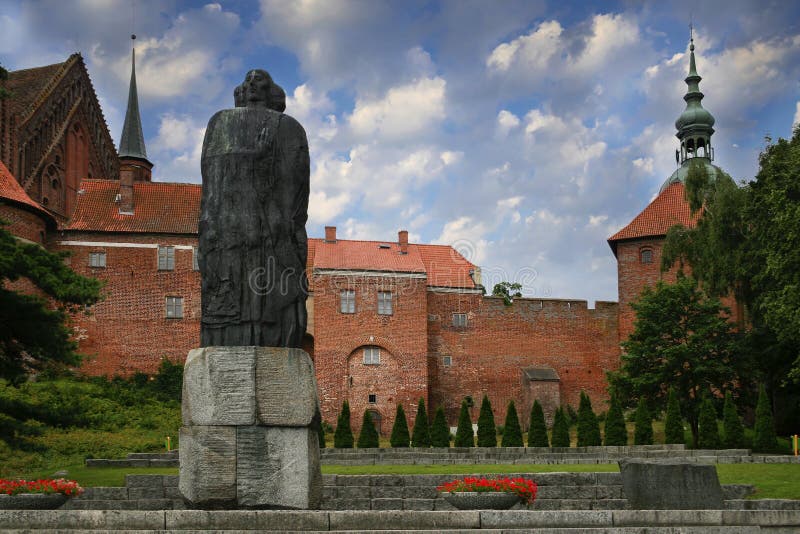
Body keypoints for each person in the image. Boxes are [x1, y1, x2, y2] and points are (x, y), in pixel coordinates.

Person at [199, 69, 309, 348]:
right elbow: (211, 171)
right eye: (248, 80)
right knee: (235, 280)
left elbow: (296, 183)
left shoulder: (289, 127)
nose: (251, 84)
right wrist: (254, 156)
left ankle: (269, 331)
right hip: (231, 221)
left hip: (267, 223)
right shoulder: (220, 122)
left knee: (268, 280)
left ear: (271, 90)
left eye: (258, 80)